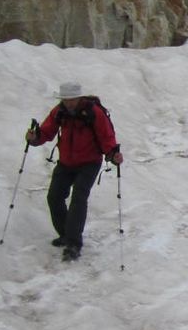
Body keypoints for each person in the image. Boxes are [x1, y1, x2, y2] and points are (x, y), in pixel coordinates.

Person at [26, 81, 122, 262]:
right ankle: (65, 234)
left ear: (79, 97)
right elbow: (46, 132)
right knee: (54, 196)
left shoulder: (94, 113)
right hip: (66, 163)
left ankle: (73, 243)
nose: (69, 103)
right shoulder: (59, 112)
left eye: (72, 99)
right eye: (66, 99)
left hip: (89, 163)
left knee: (79, 198)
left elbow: (106, 136)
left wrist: (112, 155)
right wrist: (34, 138)